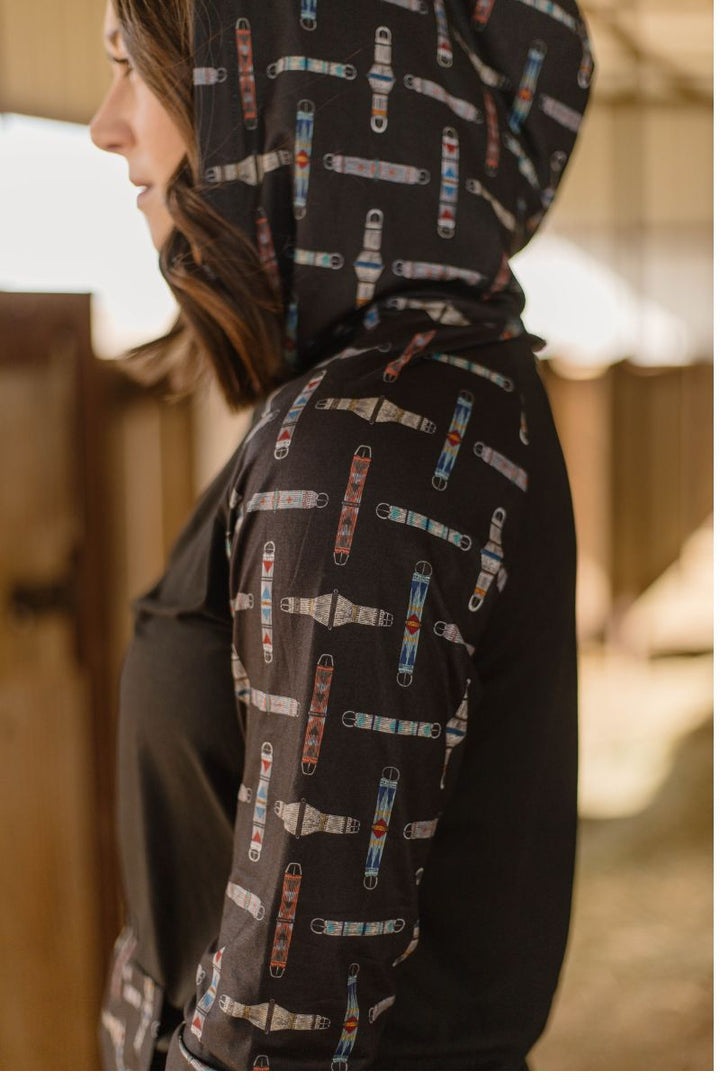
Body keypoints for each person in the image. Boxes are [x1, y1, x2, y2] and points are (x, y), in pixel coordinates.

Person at [90, 0, 595, 1069]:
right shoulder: (445, 380)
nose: (105, 124)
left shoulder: (363, 438)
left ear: (283, 81)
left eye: (133, 68)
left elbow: (278, 1036)